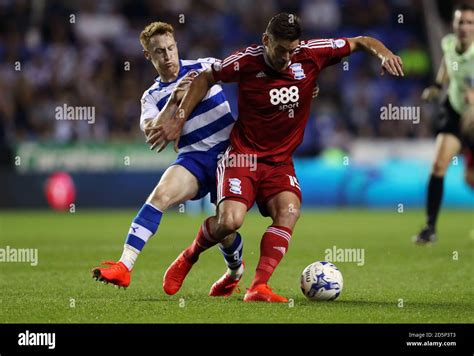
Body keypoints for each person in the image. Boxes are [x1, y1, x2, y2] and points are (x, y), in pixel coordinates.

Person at [157, 13, 403, 302]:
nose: (287, 57)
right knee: (230, 222)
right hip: (242, 156)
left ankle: (258, 287)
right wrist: (179, 117)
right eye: (281, 49)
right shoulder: (245, 61)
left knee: (288, 212)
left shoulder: (312, 53)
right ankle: (190, 256)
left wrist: (385, 54)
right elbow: (205, 77)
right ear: (266, 41)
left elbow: (361, 41)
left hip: (280, 162)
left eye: (292, 50)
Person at [91, 21, 245, 297]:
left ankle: (234, 272)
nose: (168, 56)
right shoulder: (150, 97)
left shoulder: (205, 65)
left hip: (230, 154)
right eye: (159, 51)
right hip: (194, 157)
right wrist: (174, 100)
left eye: (171, 48)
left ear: (177, 45)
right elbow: (152, 133)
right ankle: (124, 266)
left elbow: (248, 73)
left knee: (226, 227)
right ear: (149, 56)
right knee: (159, 196)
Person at [414, 3, 474, 245]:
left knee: (470, 180)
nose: (464, 27)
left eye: (470, 23)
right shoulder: (448, 43)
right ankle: (430, 228)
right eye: (461, 22)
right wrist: (438, 86)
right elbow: (448, 66)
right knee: (438, 165)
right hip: (455, 110)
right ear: (454, 24)